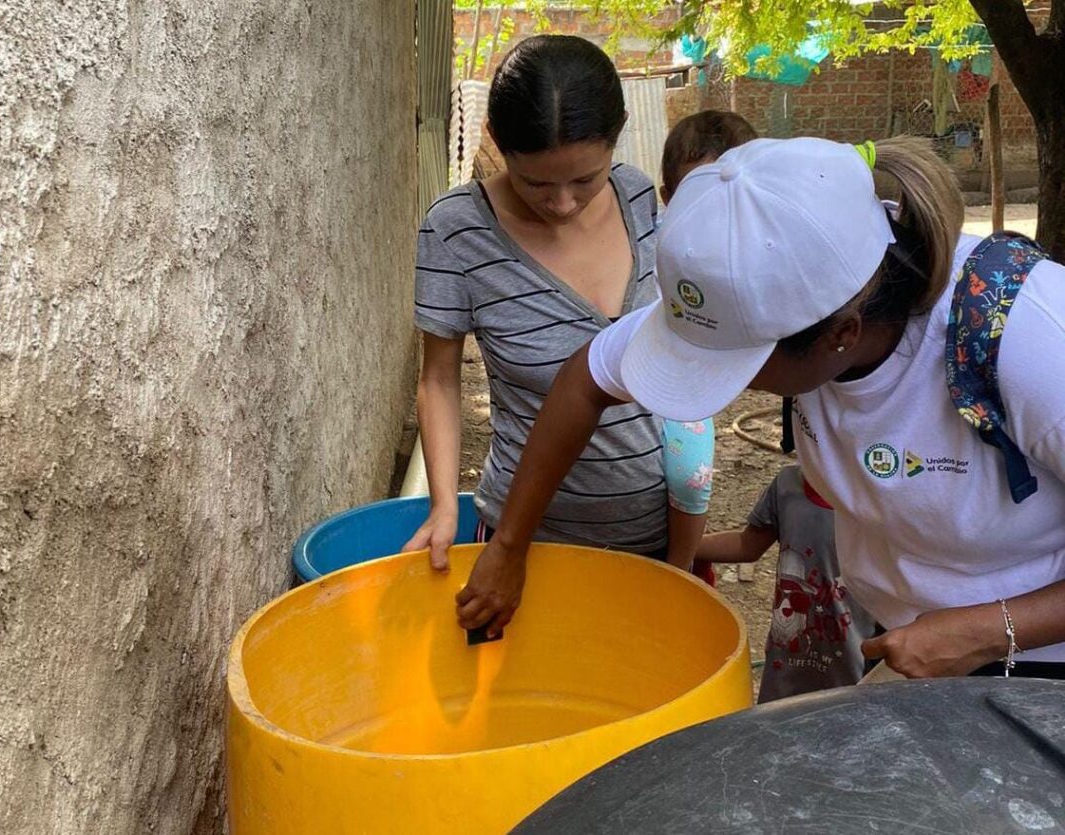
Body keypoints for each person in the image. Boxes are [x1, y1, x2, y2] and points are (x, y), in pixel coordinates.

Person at [456, 134, 1065, 681]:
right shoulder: (774, 284)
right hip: (917, 642)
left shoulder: (1030, 342)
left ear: (840, 334)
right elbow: (584, 379)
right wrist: (509, 545)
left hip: (1036, 667)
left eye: (737, 367)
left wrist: (986, 632)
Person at [403, 35, 711, 574]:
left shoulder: (639, 197)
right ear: (498, 141)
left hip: (656, 534)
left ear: (617, 139)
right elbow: (439, 380)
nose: (563, 203)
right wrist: (444, 503)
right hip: (525, 541)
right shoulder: (456, 231)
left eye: (586, 179)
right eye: (536, 182)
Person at [659, 110, 757, 579]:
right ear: (668, 198)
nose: (714, 209)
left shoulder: (758, 246)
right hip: (656, 366)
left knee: (689, 476)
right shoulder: (660, 246)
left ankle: (679, 571)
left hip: (690, 383)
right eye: (696, 194)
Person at [696, 464, 874, 701]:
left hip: (856, 672)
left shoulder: (883, 503)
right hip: (787, 665)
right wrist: (679, 545)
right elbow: (747, 545)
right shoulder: (787, 486)